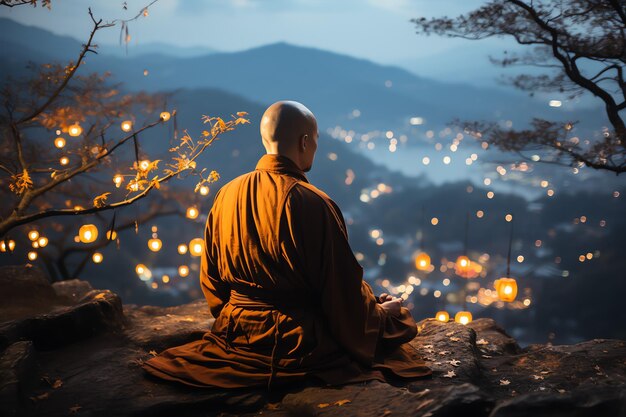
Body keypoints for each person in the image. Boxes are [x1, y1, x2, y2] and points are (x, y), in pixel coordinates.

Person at [142, 100, 431, 391]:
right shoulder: (313, 202)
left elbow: (212, 284)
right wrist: (379, 313)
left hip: (235, 329)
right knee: (399, 325)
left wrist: (239, 315)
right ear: (305, 141)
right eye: (316, 140)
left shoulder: (226, 194)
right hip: (297, 340)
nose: (315, 147)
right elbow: (339, 295)